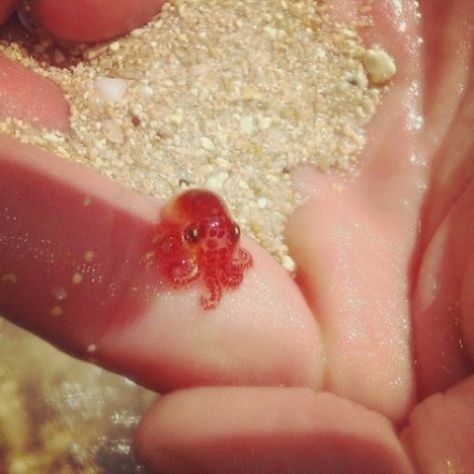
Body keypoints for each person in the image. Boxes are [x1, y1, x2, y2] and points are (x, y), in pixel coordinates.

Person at [0, 0, 473, 472]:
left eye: (225, 238)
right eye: (200, 240)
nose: (218, 250)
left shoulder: (220, 244)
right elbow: (175, 239)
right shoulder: (181, 231)